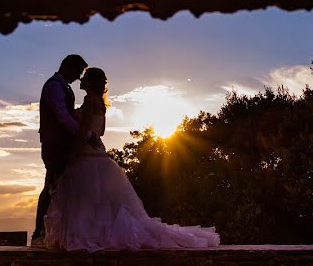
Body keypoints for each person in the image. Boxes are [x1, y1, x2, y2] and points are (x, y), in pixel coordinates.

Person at [43, 68, 219, 251]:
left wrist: (72, 156)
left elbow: (82, 132)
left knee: (86, 201)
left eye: (85, 78)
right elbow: (100, 131)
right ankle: (99, 235)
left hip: (87, 155)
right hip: (99, 154)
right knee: (102, 203)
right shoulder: (101, 104)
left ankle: (92, 236)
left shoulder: (89, 101)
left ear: (90, 82)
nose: (81, 80)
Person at [31, 54, 88, 246]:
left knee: (60, 187)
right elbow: (62, 117)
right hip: (54, 145)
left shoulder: (64, 87)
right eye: (78, 72)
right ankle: (40, 232)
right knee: (52, 186)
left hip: (62, 144)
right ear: (68, 67)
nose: (79, 78)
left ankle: (56, 233)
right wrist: (85, 135)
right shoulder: (54, 86)